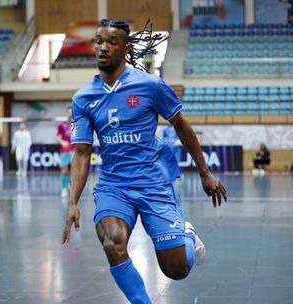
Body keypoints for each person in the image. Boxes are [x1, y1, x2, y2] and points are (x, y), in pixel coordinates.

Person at [61, 19, 227, 304]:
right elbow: (82, 153)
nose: (103, 47)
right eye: (99, 41)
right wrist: (73, 202)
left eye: (112, 42)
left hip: (153, 182)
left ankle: (187, 234)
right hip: (114, 186)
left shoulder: (151, 86)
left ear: (125, 49)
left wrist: (204, 172)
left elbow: (181, 126)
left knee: (176, 269)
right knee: (112, 240)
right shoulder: (83, 98)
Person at [55, 106, 75, 198]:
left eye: (72, 112)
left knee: (74, 171)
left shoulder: (76, 124)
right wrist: (62, 142)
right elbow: (56, 136)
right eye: (69, 112)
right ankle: (64, 189)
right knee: (64, 170)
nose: (70, 114)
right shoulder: (61, 125)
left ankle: (72, 188)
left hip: (75, 150)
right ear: (66, 113)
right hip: (64, 151)